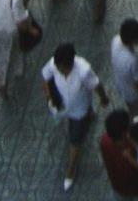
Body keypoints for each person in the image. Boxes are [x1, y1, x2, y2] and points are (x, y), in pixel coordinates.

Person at [41, 41, 109, 192]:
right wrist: (49, 98)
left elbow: (96, 85)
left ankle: (71, 170)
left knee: (75, 140)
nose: (61, 71)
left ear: (71, 63)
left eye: (64, 69)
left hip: (79, 111)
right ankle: (90, 114)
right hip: (62, 108)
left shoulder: (84, 71)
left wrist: (103, 98)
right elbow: (45, 78)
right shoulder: (54, 64)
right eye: (59, 69)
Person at [109, 19, 138, 114]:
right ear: (135, 39)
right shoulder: (133, 60)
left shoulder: (115, 40)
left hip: (123, 86)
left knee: (131, 106)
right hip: (134, 95)